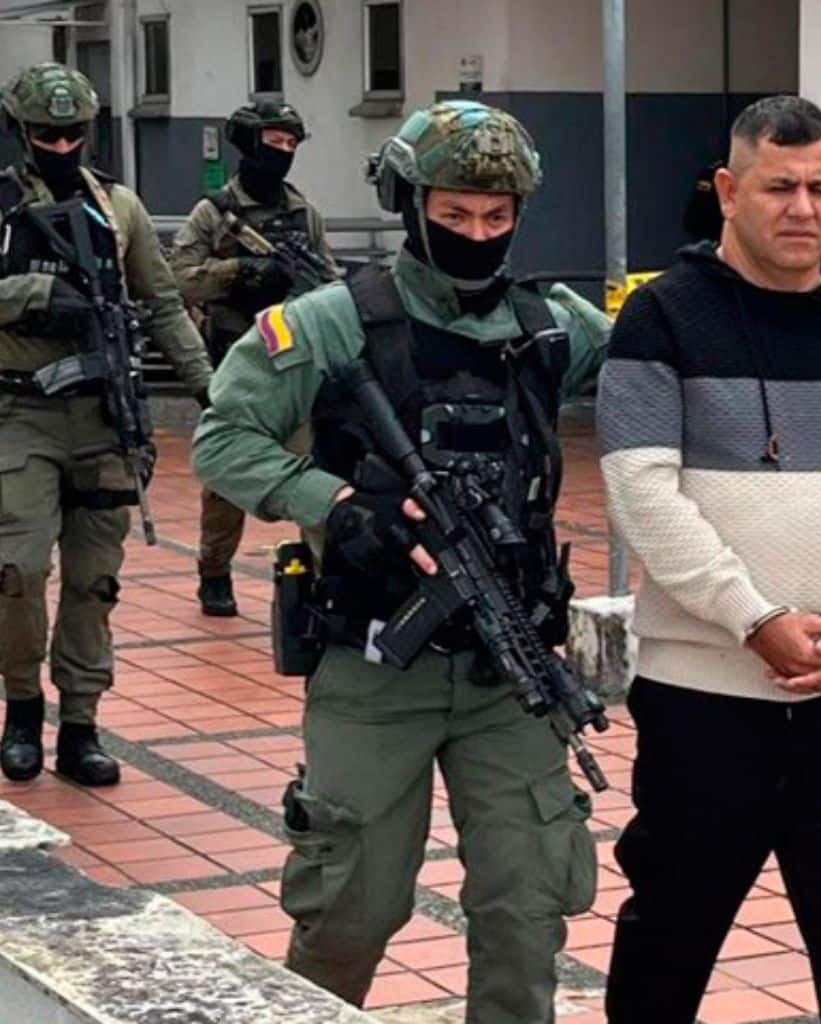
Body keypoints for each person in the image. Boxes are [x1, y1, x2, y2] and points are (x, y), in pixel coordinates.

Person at [191, 100, 610, 1019]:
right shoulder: (334, 323)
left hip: (511, 671)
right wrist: (336, 505)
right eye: (455, 214)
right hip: (374, 664)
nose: (477, 235)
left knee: (527, 903)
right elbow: (222, 440)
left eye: (497, 217)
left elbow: (652, 381)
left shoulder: (552, 324)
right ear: (410, 205)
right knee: (352, 903)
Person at [598, 94, 821, 1023]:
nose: (802, 208)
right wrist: (755, 620)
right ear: (727, 190)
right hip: (702, 705)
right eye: (779, 187)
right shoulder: (659, 317)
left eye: (820, 188)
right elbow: (639, 493)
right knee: (667, 947)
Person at [0, 63, 211, 787]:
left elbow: (163, 303)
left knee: (95, 581)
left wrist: (211, 388)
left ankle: (81, 723)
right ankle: (22, 709)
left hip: (101, 415)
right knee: (19, 569)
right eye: (45, 135)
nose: (60, 147)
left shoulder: (118, 207)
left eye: (72, 134)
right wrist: (34, 295)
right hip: (19, 412)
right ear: (20, 131)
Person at [171, 100, 338, 617]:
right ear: (248, 143)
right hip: (236, 364)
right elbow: (179, 278)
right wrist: (240, 273)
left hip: (296, 362)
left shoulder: (303, 213)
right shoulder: (215, 212)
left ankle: (326, 577)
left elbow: (330, 281)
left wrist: (306, 292)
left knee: (315, 469)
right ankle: (214, 570)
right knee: (227, 478)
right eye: (274, 141)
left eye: (291, 143)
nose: (283, 152)